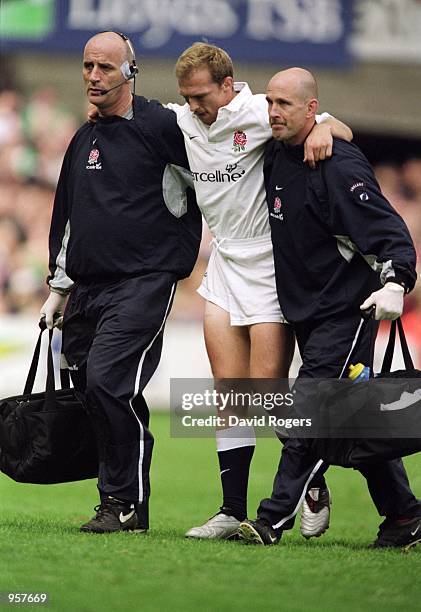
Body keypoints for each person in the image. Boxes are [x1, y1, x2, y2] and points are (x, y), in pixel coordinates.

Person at [167, 43, 353, 540]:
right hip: (225, 261)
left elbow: (336, 125)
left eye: (201, 95)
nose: (193, 105)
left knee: (267, 395)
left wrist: (327, 129)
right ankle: (231, 511)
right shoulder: (183, 121)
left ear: (228, 86)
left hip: (270, 265)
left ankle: (312, 480)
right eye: (186, 96)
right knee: (230, 395)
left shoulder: (258, 110)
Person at [238, 67, 421, 548]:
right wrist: (327, 123)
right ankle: (404, 515)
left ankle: (271, 520)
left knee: (307, 415)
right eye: (270, 103)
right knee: (352, 420)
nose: (273, 112)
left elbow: (388, 230)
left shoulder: (339, 166)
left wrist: (397, 282)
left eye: (285, 105)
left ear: (310, 108)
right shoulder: (278, 148)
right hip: (304, 312)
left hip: (345, 313)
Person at [40, 31, 201, 534]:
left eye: (106, 67)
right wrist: (58, 289)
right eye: (88, 65)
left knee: (109, 381)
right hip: (86, 288)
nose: (93, 76)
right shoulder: (83, 137)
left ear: (130, 71)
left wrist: (325, 122)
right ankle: (125, 505)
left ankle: (122, 502)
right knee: (97, 392)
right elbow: (68, 219)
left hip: (144, 281)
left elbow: (221, 144)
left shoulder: (163, 125)